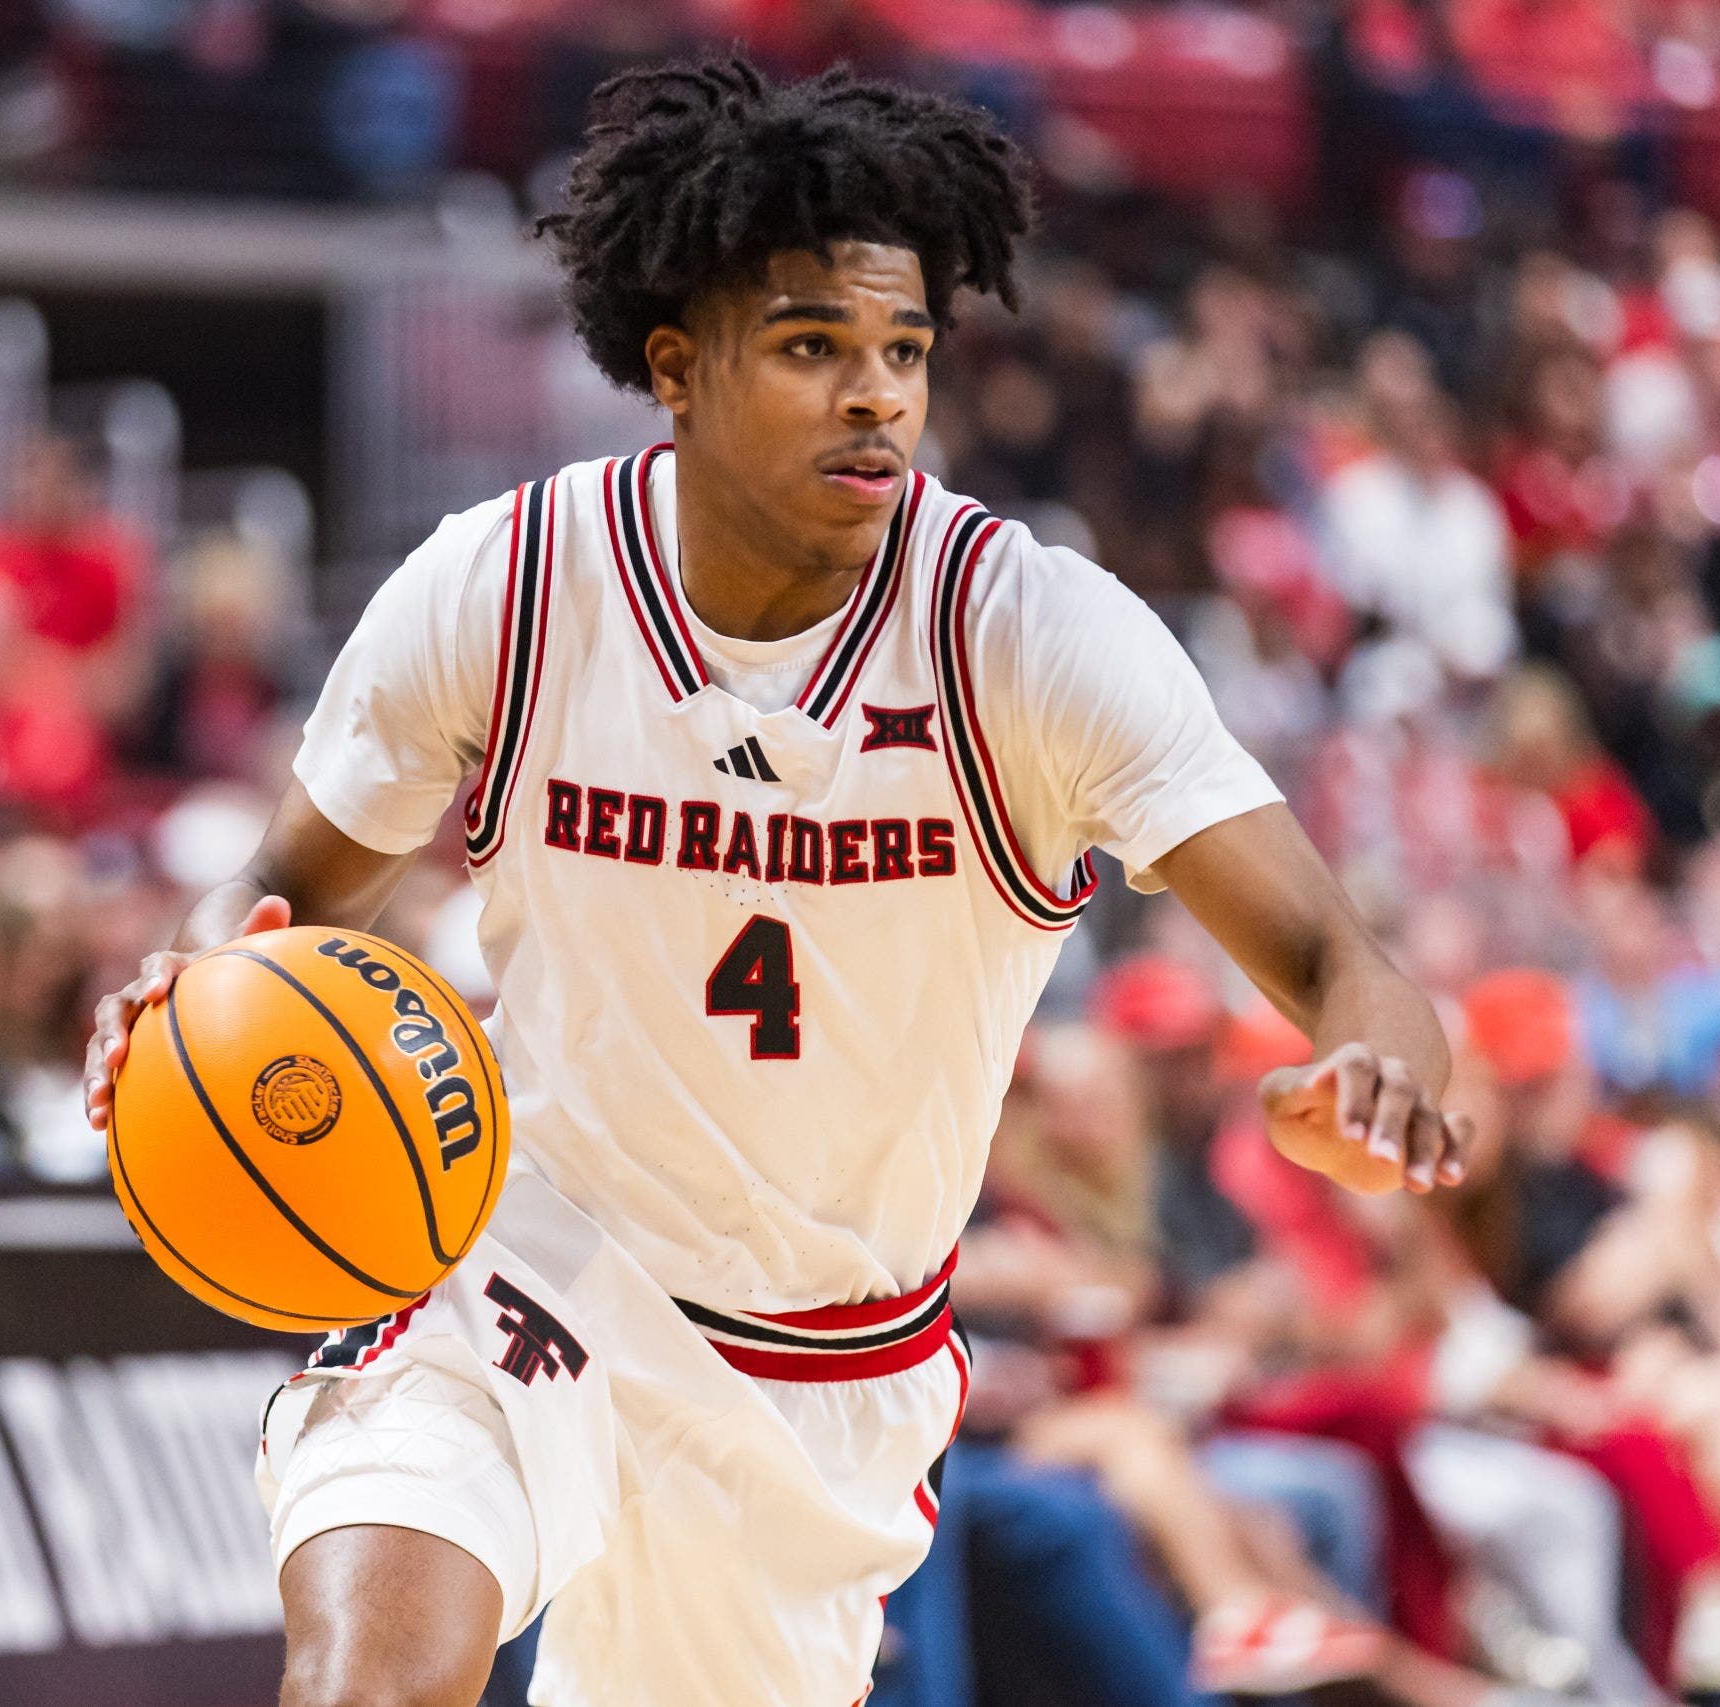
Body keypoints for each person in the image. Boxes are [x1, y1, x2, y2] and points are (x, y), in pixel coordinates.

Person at [82, 58, 1473, 1707]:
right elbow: (275, 889)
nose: (875, 396)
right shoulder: (509, 584)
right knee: (368, 1686)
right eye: (814, 347)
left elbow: (1334, 957)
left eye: (905, 351)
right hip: (527, 1261)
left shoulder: (1029, 636)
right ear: (677, 366)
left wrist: (1381, 1071)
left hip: (820, 1369)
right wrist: (185, 993)